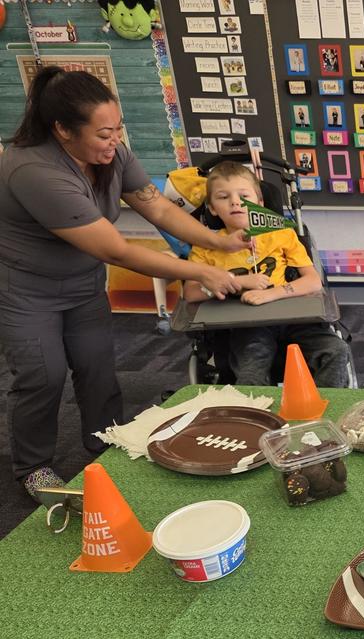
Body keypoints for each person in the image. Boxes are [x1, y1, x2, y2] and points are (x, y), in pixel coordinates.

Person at [0, 67, 241, 499]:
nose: (115, 141)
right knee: (43, 375)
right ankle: (33, 466)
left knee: (96, 369)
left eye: (118, 130)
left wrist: (217, 242)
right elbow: (117, 250)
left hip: (82, 284)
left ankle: (103, 443)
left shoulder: (113, 155)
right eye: (103, 133)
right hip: (26, 290)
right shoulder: (34, 169)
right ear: (63, 130)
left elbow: (158, 209)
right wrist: (201, 270)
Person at [184, 161, 349, 387]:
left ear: (260, 203)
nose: (235, 202)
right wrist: (237, 282)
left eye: (244, 195)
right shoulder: (204, 247)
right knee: (251, 370)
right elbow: (191, 293)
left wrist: (272, 294)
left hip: (294, 317)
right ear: (212, 207)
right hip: (247, 324)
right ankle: (259, 416)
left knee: (336, 351)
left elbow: (312, 281)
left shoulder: (283, 235)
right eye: (223, 197)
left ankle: (326, 409)